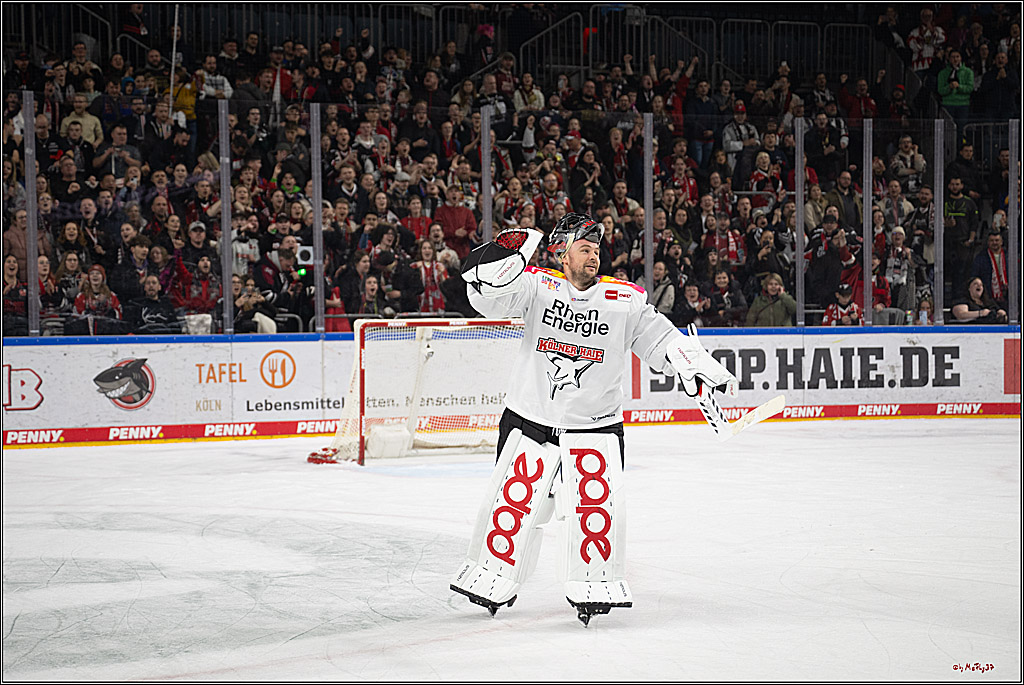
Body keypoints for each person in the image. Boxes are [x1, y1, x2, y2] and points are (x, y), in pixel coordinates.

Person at [450, 214, 739, 624]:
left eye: (596, 249)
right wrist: (504, 255)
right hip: (530, 418)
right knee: (513, 504)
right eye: (584, 248)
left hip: (595, 425)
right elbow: (486, 297)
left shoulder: (623, 299)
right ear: (561, 254)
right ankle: (491, 574)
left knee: (594, 510)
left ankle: (595, 580)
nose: (594, 255)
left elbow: (657, 335)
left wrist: (690, 362)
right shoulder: (536, 286)